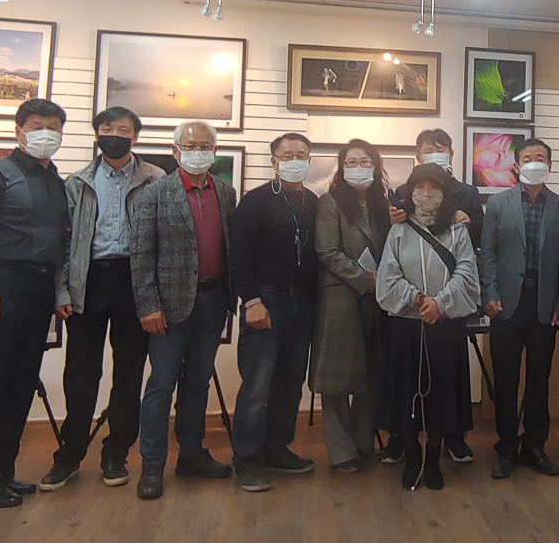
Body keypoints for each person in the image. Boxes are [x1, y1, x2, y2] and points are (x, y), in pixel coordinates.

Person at [41, 107, 164, 492]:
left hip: (135, 281)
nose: (114, 135)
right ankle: (69, 454)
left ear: (135, 137)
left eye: (123, 129)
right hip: (88, 282)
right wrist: (63, 289)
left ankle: (116, 453)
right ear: (97, 135)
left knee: (129, 373)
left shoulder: (156, 179)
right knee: (80, 374)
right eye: (107, 129)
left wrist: (157, 296)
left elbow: (166, 238)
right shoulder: (77, 182)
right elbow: (63, 242)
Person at [0, 98, 69, 508]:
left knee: (20, 384)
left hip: (37, 289)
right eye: (38, 125)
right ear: (19, 130)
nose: (46, 133)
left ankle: (3, 472)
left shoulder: (55, 180)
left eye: (54, 127)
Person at [131, 120, 237, 500]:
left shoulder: (225, 191)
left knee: (198, 382)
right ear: (176, 151)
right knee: (161, 384)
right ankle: (152, 464)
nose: (198, 152)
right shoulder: (154, 193)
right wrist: (148, 305)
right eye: (190, 146)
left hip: (213, 300)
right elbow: (141, 254)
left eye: (205, 146)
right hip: (168, 306)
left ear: (214, 150)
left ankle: (191, 454)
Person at [378, 128, 482, 465]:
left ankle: (437, 454)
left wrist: (441, 303)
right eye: (419, 188)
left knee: (442, 390)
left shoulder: (457, 228)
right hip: (407, 323)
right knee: (406, 389)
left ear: (445, 192)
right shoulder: (398, 228)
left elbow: (467, 271)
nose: (425, 194)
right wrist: (418, 300)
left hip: (445, 323)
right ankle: (409, 452)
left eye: (433, 188)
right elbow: (388, 274)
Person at [479, 138, 559, 480]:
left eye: (541, 157)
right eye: (528, 157)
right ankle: (507, 447)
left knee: (539, 379)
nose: (534, 162)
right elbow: (487, 254)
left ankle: (535, 446)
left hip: (544, 306)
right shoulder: (498, 204)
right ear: (516, 165)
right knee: (505, 380)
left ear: (549, 164)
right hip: (505, 305)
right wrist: (488, 293)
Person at [228, 133, 319, 491]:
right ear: (274, 161)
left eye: (302, 154)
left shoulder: (313, 202)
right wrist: (251, 301)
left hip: (303, 303)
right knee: (257, 385)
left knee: (290, 383)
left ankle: (277, 448)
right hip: (266, 302)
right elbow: (238, 254)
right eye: (288, 154)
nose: (295, 159)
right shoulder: (256, 201)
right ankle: (246, 458)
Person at [309, 139, 392, 473]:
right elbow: (327, 251)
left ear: (376, 166)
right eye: (352, 162)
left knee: (371, 374)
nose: (359, 168)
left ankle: (363, 443)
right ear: (342, 168)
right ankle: (341, 451)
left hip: (377, 300)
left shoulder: (383, 205)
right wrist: (365, 280)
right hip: (340, 298)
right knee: (337, 378)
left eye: (365, 161)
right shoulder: (329, 203)